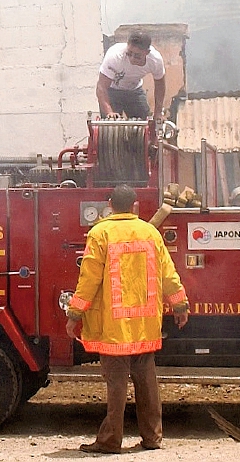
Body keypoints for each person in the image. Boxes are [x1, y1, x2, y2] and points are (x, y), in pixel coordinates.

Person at [65, 184, 189, 453]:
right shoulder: (150, 232)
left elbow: (88, 279)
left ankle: (110, 441)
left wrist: (75, 313)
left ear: (110, 205)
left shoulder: (100, 233)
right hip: (145, 324)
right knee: (147, 384)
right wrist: (179, 305)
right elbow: (168, 273)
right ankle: (152, 438)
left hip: (114, 327)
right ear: (135, 206)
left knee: (116, 387)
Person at [95, 29, 167, 121]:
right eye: (129, 53)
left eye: (137, 55)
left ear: (147, 52)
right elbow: (101, 87)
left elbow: (160, 86)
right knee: (111, 125)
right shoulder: (115, 56)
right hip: (112, 91)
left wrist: (158, 112)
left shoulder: (155, 60)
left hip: (134, 91)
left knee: (144, 123)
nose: (132, 58)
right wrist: (109, 112)